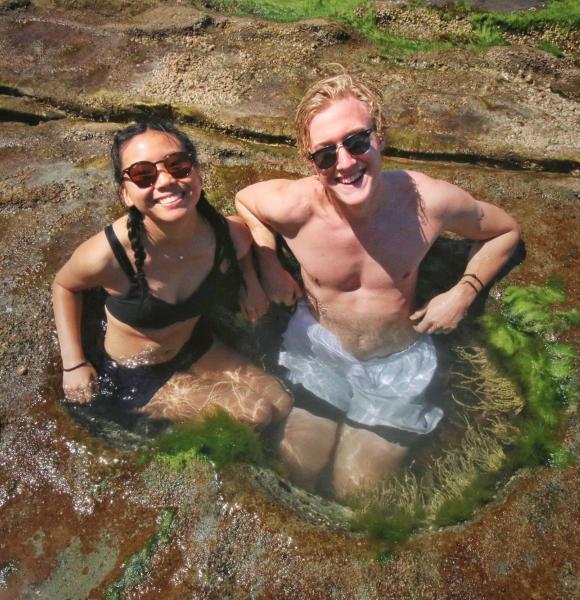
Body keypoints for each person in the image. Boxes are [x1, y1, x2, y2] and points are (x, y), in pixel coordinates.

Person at [235, 73, 521, 499]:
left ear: (379, 136)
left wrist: (464, 291)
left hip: (396, 366)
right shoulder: (294, 207)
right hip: (318, 350)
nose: (345, 163)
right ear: (309, 160)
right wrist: (269, 262)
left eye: (355, 142)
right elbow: (245, 201)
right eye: (326, 154)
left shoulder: (428, 202)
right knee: (296, 473)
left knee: (355, 492)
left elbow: (505, 231)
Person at [52, 122, 291, 427]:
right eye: (143, 175)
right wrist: (74, 363)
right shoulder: (108, 255)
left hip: (193, 345)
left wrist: (252, 285)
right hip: (133, 375)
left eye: (177, 165)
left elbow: (244, 248)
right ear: (126, 194)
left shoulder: (225, 236)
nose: (165, 180)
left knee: (280, 399)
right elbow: (64, 285)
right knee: (256, 413)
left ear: (197, 172)